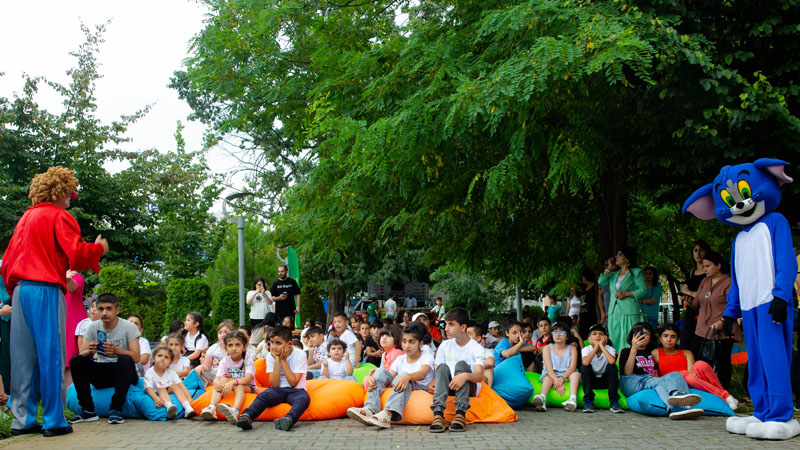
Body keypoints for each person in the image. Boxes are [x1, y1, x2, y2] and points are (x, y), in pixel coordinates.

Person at [2, 167, 108, 437]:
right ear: (59, 192)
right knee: (51, 354)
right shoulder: (59, 216)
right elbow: (76, 252)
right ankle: (53, 420)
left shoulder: (25, 218)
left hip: (21, 290)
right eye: (70, 191)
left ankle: (22, 420)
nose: (72, 196)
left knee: (23, 357)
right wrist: (99, 249)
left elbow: (8, 261)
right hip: (46, 289)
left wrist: (15, 289)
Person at [69, 293, 140, 426]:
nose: (104, 313)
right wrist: (90, 351)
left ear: (117, 310)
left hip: (124, 372)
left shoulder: (128, 327)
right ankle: (88, 410)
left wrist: (117, 351)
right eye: (101, 309)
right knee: (76, 361)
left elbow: (137, 357)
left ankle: (116, 409)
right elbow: (82, 353)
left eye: (109, 309)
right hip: (102, 371)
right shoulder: (93, 327)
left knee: (125, 359)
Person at [348, 323, 433, 428]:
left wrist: (407, 377)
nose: (406, 346)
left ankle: (387, 414)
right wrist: (374, 380)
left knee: (403, 374)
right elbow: (389, 376)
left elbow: (422, 373)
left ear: (420, 344)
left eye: (412, 342)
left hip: (420, 388)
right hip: (401, 386)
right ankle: (370, 409)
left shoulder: (427, 356)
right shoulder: (400, 359)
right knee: (380, 371)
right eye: (404, 341)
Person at [618, 322, 704, 420]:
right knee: (657, 382)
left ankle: (679, 396)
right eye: (640, 333)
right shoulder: (626, 351)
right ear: (633, 336)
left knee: (676, 375)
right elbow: (627, 373)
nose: (643, 336)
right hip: (631, 381)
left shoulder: (651, 352)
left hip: (648, 380)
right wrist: (634, 348)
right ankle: (673, 408)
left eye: (646, 333)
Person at [236, 325, 309, 431]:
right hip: (277, 390)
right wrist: (276, 361)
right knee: (263, 396)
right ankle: (247, 416)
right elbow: (274, 384)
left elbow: (293, 383)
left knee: (304, 399)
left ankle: (288, 419)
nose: (274, 347)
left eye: (278, 343)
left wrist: (283, 360)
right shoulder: (271, 356)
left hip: (296, 390)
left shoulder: (300, 354)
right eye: (272, 343)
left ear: (289, 344)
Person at [687, 251, 741, 390]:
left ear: (718, 266)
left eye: (707, 266)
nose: (704, 269)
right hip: (702, 328)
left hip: (721, 329)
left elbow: (734, 305)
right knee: (698, 358)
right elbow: (698, 302)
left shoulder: (729, 283)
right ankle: (702, 388)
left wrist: (723, 322)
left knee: (721, 362)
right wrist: (689, 301)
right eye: (703, 266)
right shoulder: (704, 281)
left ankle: (723, 391)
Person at [652, 323, 738, 410]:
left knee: (699, 364)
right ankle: (726, 396)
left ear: (678, 339)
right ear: (660, 339)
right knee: (688, 378)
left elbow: (691, 371)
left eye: (673, 337)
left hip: (693, 379)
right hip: (676, 383)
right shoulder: (656, 353)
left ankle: (724, 394)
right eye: (665, 336)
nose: (669, 339)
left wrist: (692, 375)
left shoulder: (686, 353)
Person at [428, 307, 485, 433]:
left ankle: (460, 414)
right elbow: (439, 369)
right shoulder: (444, 345)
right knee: (442, 367)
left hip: (468, 387)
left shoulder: (476, 348)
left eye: (451, 324)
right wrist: (434, 381)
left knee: (461, 365)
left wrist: (465, 376)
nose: (446, 328)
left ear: (463, 327)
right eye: (446, 324)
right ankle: (438, 414)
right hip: (448, 386)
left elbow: (480, 376)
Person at [200, 330, 256, 423]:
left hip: (248, 386)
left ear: (244, 346)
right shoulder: (224, 361)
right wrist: (217, 384)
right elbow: (217, 378)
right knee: (220, 382)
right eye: (230, 345)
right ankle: (212, 407)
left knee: (239, 386)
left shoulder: (248, 360)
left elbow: (247, 379)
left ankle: (235, 410)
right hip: (231, 384)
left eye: (237, 345)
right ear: (226, 348)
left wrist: (233, 382)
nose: (234, 348)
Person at [598, 246, 647, 352]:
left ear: (627, 258)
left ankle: (629, 361)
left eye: (620, 254)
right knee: (614, 337)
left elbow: (643, 291)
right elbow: (601, 282)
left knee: (629, 337)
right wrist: (609, 269)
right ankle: (617, 363)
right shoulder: (613, 274)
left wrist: (627, 294)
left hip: (629, 311)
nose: (616, 257)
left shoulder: (636, 272)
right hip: (613, 311)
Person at [531, 322, 580, 411]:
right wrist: (557, 380)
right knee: (547, 378)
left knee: (576, 374)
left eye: (561, 332)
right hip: (551, 374)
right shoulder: (547, 348)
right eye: (555, 332)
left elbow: (572, 367)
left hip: (566, 375)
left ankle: (572, 399)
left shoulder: (572, 348)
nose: (558, 335)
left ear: (567, 336)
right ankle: (542, 398)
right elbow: (549, 369)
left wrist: (561, 379)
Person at [143, 345, 195, 419]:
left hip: (168, 388)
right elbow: (148, 388)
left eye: (166, 357)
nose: (162, 359)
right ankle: (169, 407)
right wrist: (155, 399)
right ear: (154, 358)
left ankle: (187, 407)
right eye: (160, 356)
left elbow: (180, 384)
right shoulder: (150, 372)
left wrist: (189, 397)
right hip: (157, 390)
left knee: (175, 386)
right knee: (161, 389)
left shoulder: (171, 372)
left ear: (170, 363)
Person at [580, 324, 622, 413]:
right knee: (585, 368)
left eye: (601, 334)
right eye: (594, 334)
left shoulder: (609, 348)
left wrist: (602, 346)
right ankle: (588, 401)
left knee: (613, 367)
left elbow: (612, 361)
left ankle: (614, 402)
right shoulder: (586, 349)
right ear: (589, 339)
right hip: (591, 381)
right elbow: (585, 362)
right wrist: (596, 347)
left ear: (606, 338)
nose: (598, 336)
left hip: (606, 381)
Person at [679, 240, 712, 354]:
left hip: (704, 311)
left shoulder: (709, 273)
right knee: (685, 344)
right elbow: (684, 290)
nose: (698, 254)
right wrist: (696, 293)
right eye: (695, 250)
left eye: (701, 250)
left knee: (698, 345)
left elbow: (704, 294)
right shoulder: (691, 272)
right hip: (690, 310)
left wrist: (693, 293)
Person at [196, 320, 235, 386]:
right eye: (220, 333)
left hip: (229, 376)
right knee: (197, 372)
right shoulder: (213, 348)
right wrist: (201, 367)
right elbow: (207, 366)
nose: (222, 335)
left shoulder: (235, 348)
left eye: (226, 332)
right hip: (214, 375)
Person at [64, 270, 85, 387]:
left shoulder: (75, 275)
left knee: (69, 364)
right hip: (56, 323)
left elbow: (73, 288)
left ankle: (69, 400)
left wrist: (67, 279)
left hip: (71, 325)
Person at [579, 268, 600, 337]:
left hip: (591, 314)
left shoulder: (595, 287)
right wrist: (579, 316)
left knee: (591, 333)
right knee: (583, 334)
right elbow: (581, 303)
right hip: (583, 315)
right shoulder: (583, 288)